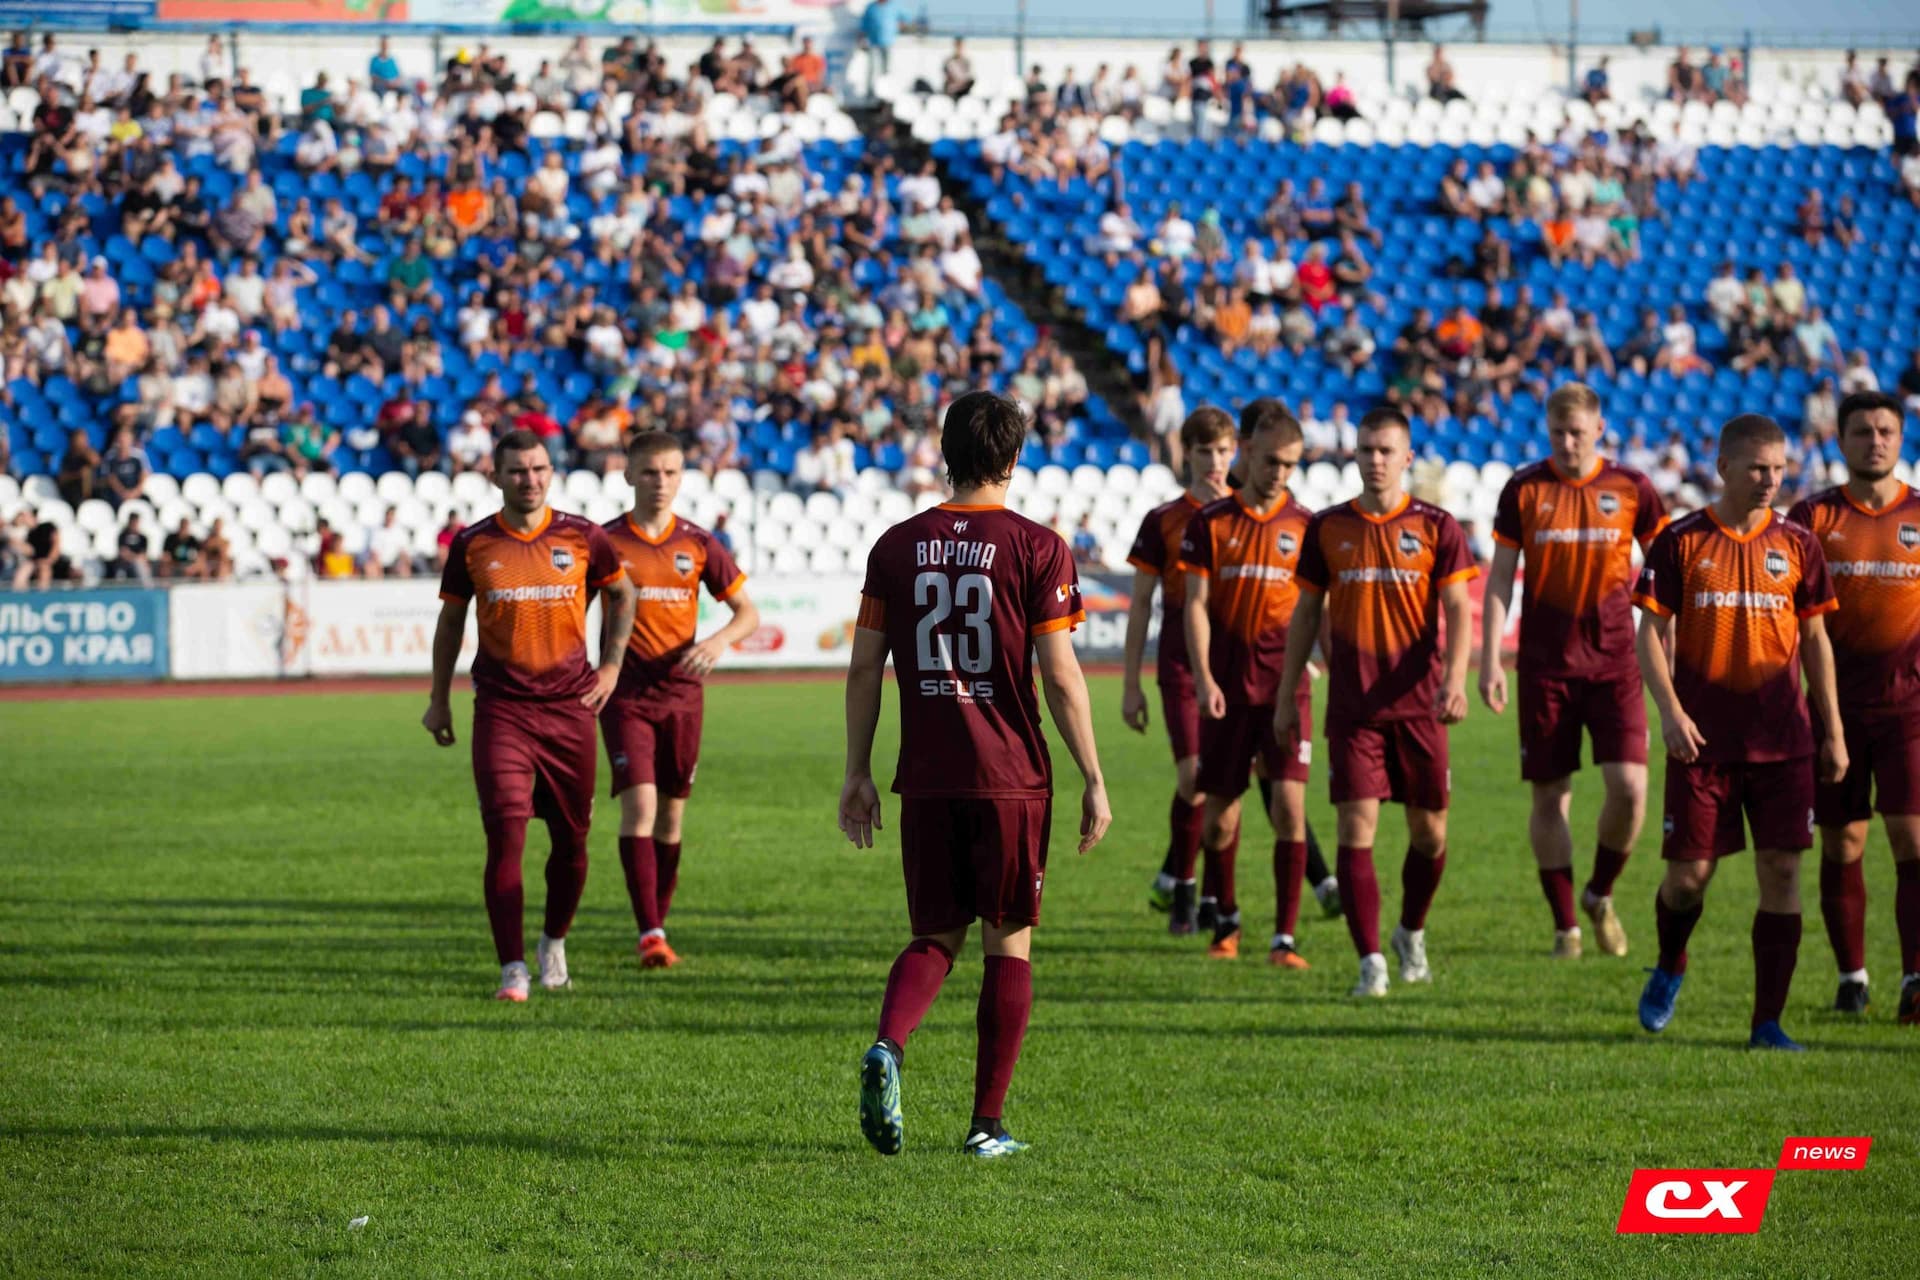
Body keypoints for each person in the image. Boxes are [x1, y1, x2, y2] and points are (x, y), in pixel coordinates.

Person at [840, 390, 1110, 1160]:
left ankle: (890, 1044)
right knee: (1008, 942)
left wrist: (857, 771)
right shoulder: (1038, 547)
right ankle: (986, 1124)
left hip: (925, 774)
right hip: (1009, 776)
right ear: (1015, 457)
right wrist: (1093, 773)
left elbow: (865, 669)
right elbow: (1059, 675)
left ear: (944, 448)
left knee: (933, 935)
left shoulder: (895, 546)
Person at [1631, 415, 1845, 1051]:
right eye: (1757, 468)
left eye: (1778, 469)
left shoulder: (1800, 544)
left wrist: (1830, 728)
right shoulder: (1681, 542)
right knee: (1689, 878)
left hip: (1784, 741)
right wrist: (1669, 711)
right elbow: (1648, 632)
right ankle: (1671, 961)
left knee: (1782, 872)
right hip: (1703, 742)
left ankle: (1766, 1023)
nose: (1770, 480)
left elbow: (1814, 640)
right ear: (1724, 467)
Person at [424, 430, 637, 1003]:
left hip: (571, 710)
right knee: (505, 838)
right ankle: (512, 968)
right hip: (501, 712)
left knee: (572, 843)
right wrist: (439, 698)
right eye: (517, 471)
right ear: (496, 477)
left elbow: (624, 595)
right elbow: (449, 625)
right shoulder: (472, 544)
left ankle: (553, 942)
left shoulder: (584, 536)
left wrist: (612, 668)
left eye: (539, 468)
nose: (530, 479)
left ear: (552, 471)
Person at [1276, 406, 1477, 997]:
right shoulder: (1328, 528)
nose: (1376, 460)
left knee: (1429, 834)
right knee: (1356, 826)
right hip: (1355, 706)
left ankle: (1409, 932)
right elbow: (1306, 612)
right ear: (1354, 454)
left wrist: (1457, 679)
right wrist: (1289, 692)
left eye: (1387, 450)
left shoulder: (1438, 526)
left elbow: (1461, 608)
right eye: (1366, 450)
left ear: (1408, 457)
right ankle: (1371, 962)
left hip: (1420, 705)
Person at [1479, 384, 1667, 958]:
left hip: (1616, 661)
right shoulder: (1525, 488)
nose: (1566, 442)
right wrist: (1490, 658)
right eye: (1557, 432)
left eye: (1577, 433)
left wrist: (1672, 648)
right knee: (1549, 796)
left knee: (1631, 789)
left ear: (1599, 429)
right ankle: (1567, 927)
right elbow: (1499, 580)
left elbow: (1668, 573)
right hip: (1544, 664)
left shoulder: (1631, 488)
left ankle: (1600, 893)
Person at [599, 432, 759, 969]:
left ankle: (657, 927)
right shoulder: (605, 543)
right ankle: (649, 932)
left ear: (681, 477)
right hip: (627, 695)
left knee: (671, 818)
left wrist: (716, 641)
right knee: (640, 806)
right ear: (628, 475)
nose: (660, 483)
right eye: (649, 472)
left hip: (683, 697)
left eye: (669, 473)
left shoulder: (697, 542)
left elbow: (747, 613)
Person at [1786, 392, 1920, 1023]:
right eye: (1863, 431)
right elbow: (1788, 619)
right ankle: (1852, 977)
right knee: (1842, 846)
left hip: (1909, 711)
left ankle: (1915, 979)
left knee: (1912, 842)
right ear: (1840, 440)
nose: (1876, 440)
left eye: (1886, 430)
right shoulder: (1811, 518)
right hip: (1831, 712)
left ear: (1901, 437)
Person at [1178, 401, 1316, 966]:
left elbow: (1316, 607)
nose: (1278, 473)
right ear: (1249, 454)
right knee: (1220, 818)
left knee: (1288, 806)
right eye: (1271, 461)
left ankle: (1284, 937)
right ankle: (1227, 922)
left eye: (1290, 465)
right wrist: (1205, 676)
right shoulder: (1212, 523)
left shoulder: (1307, 527)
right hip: (1228, 690)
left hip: (1287, 690)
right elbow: (1195, 606)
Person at [1123, 408, 1238, 929]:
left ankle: (1211, 897)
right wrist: (1129, 684)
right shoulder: (1163, 519)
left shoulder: (1245, 515)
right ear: (1187, 454)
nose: (1215, 461)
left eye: (1223, 450)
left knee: (1225, 788)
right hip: (1179, 661)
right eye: (1205, 451)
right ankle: (1186, 892)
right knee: (1193, 776)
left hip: (1236, 660)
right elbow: (1141, 604)